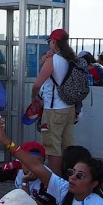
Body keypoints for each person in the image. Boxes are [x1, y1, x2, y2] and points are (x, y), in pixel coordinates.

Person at [31, 28, 77, 174]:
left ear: (53, 42)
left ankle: (54, 181)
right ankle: (67, 177)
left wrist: (33, 98)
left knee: (52, 147)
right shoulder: (71, 58)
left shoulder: (54, 60)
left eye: (50, 41)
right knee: (66, 146)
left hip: (54, 109)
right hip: (69, 107)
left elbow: (37, 84)